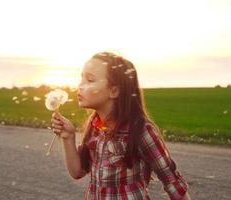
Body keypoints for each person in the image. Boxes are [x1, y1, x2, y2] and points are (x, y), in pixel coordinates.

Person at [50, 52, 191, 200]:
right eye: (81, 79)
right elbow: (77, 172)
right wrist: (68, 137)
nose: (80, 86)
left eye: (90, 80)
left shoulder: (141, 131)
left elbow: (171, 181)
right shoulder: (94, 128)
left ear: (114, 91)